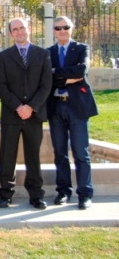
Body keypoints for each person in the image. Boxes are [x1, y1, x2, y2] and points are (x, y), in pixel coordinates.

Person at [0, 17, 52, 209]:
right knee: (7, 155)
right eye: (15, 30)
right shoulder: (3, 57)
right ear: (10, 34)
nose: (19, 32)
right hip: (12, 114)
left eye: (22, 28)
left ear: (29, 29)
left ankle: (36, 195)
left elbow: (46, 85)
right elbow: (0, 86)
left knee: (33, 156)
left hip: (34, 115)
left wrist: (31, 107)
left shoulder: (42, 54)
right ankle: (5, 194)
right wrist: (18, 107)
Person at [48, 16, 98, 210]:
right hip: (56, 106)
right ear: (53, 30)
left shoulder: (81, 48)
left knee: (80, 152)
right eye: (58, 27)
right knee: (60, 152)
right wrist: (67, 78)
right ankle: (63, 191)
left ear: (72, 28)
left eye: (65, 27)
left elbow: (82, 70)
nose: (62, 30)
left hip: (77, 107)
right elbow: (47, 78)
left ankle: (85, 194)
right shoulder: (49, 52)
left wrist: (57, 74)